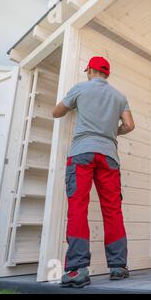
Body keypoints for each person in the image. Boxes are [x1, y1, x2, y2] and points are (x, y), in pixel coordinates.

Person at [52, 56, 135, 288]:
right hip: (109, 156)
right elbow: (129, 125)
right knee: (112, 209)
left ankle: (77, 270)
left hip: (82, 154)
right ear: (106, 73)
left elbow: (56, 112)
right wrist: (110, 134)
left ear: (89, 70)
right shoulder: (120, 96)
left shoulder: (80, 88)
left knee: (78, 206)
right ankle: (118, 267)